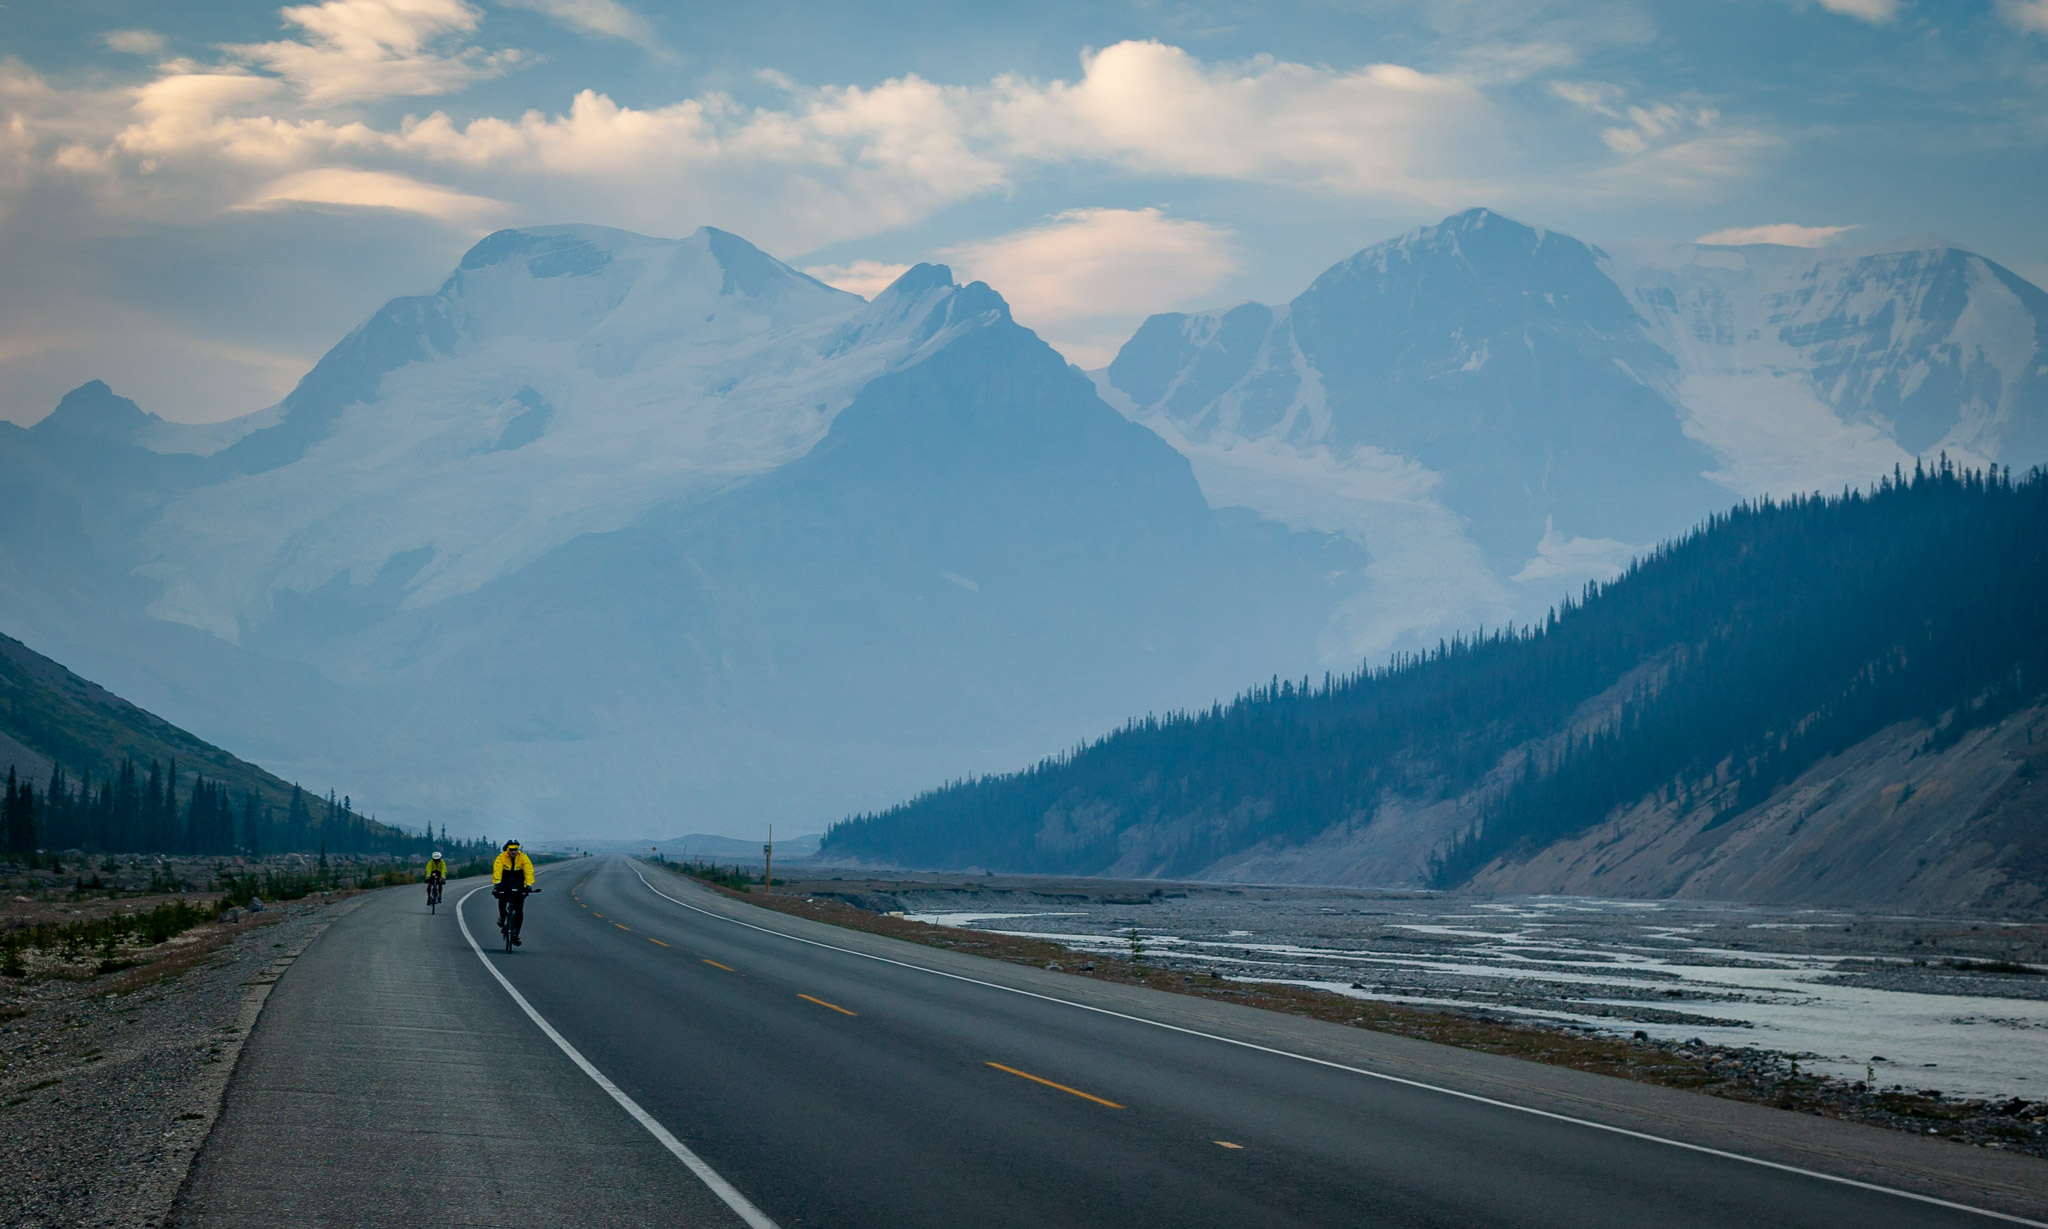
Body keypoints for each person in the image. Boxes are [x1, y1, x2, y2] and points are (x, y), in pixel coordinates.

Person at [492, 840, 537, 944]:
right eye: (511, 850)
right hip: (505, 882)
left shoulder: (523, 858)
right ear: (508, 849)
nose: (513, 852)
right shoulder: (501, 857)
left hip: (519, 883)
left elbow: (529, 871)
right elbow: (497, 870)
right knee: (501, 898)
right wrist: (497, 883)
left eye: (515, 850)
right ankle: (502, 917)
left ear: (518, 850)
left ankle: (516, 934)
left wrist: (529, 885)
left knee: (519, 910)